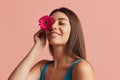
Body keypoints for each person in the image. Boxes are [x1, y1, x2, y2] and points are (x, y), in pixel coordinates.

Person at [8, 7, 94, 80]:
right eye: (50, 23)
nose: (53, 26)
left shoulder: (82, 68)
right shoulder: (42, 67)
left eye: (62, 23)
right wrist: (37, 46)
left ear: (73, 31)